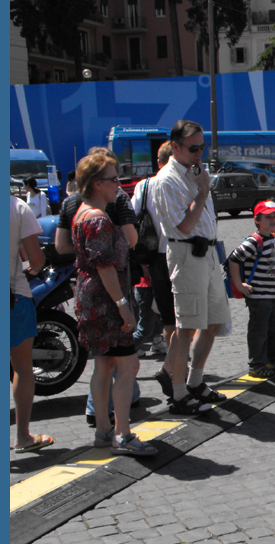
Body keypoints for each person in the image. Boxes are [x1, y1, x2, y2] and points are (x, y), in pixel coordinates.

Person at [71, 151, 156, 457]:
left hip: (91, 297)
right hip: (105, 301)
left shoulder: (84, 212)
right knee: (129, 363)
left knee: (105, 364)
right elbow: (105, 266)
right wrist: (122, 305)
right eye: (112, 179)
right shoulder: (96, 218)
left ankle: (104, 430)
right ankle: (123, 433)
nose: (118, 184)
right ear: (96, 184)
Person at [151, 120, 230, 415]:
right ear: (176, 147)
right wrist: (201, 193)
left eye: (202, 146)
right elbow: (183, 224)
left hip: (208, 252)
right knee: (186, 326)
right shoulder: (166, 180)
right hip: (186, 253)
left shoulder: (197, 173)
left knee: (212, 321)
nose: (200, 153)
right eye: (193, 148)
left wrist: (202, 188)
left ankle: (195, 380)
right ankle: (178, 392)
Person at [10, 195, 52, 453]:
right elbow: (36, 259)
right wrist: (33, 271)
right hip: (13, 295)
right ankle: (23, 437)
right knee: (23, 369)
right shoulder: (17, 207)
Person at [229, 200, 275, 379]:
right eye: (268, 217)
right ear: (257, 220)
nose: (273, 220)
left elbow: (273, 265)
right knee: (259, 330)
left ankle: (274, 359)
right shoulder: (255, 241)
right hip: (259, 296)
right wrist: (239, 284)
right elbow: (233, 259)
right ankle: (256, 364)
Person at [133, 142, 176, 368]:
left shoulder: (144, 186)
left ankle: (173, 361)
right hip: (180, 255)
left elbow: (133, 218)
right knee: (183, 317)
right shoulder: (184, 182)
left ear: (158, 162)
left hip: (156, 258)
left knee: (167, 317)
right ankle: (178, 364)